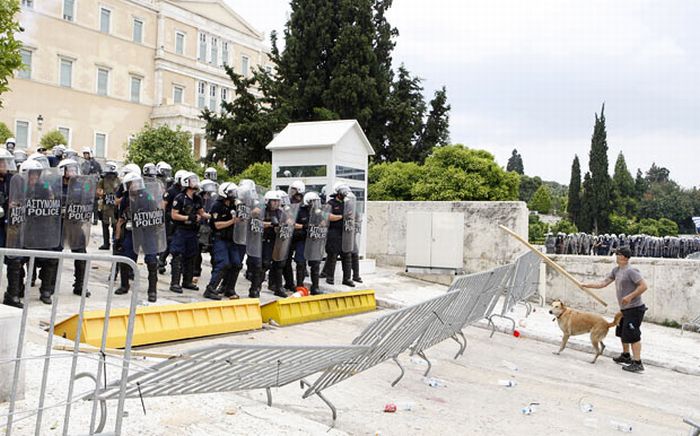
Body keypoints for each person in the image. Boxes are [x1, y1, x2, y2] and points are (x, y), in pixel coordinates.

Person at [582, 246, 648, 373]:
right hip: (624, 310)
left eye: (617, 254)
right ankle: (626, 356)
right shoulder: (617, 270)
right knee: (623, 333)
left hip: (634, 309)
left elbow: (644, 286)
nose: (615, 256)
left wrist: (630, 296)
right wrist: (587, 285)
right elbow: (603, 283)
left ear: (623, 256)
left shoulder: (631, 271)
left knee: (633, 335)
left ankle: (638, 362)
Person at [114, 173, 160, 302]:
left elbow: (156, 215)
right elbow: (121, 219)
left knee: (152, 261)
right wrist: (117, 238)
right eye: (130, 184)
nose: (132, 186)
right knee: (125, 258)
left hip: (147, 232)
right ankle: (124, 285)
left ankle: (152, 291)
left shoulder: (147, 197)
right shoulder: (125, 200)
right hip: (131, 232)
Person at [169, 172, 208, 294]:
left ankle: (187, 281)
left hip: (193, 231)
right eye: (192, 180)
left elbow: (202, 213)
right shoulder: (180, 198)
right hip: (181, 231)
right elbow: (174, 215)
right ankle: (175, 282)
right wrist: (188, 218)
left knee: (191, 256)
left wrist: (213, 217)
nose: (195, 182)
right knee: (178, 255)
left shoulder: (198, 198)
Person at [206, 182, 239, 299]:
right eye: (231, 192)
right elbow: (217, 225)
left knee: (236, 263)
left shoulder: (233, 205)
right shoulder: (217, 206)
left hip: (232, 239)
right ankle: (210, 288)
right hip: (219, 238)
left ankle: (229, 289)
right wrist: (232, 221)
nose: (234, 194)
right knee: (223, 263)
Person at [0, 149, 21, 307]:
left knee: (14, 260)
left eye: (5, 161)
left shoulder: (13, 179)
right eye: (1, 162)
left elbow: (22, 195)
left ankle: (12, 295)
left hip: (11, 225)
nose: (4, 165)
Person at [96, 161, 119, 250]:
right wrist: (102, 193)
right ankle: (106, 243)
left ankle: (114, 242)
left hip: (114, 205)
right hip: (105, 205)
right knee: (105, 224)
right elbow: (98, 191)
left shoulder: (118, 180)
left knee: (114, 224)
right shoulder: (103, 180)